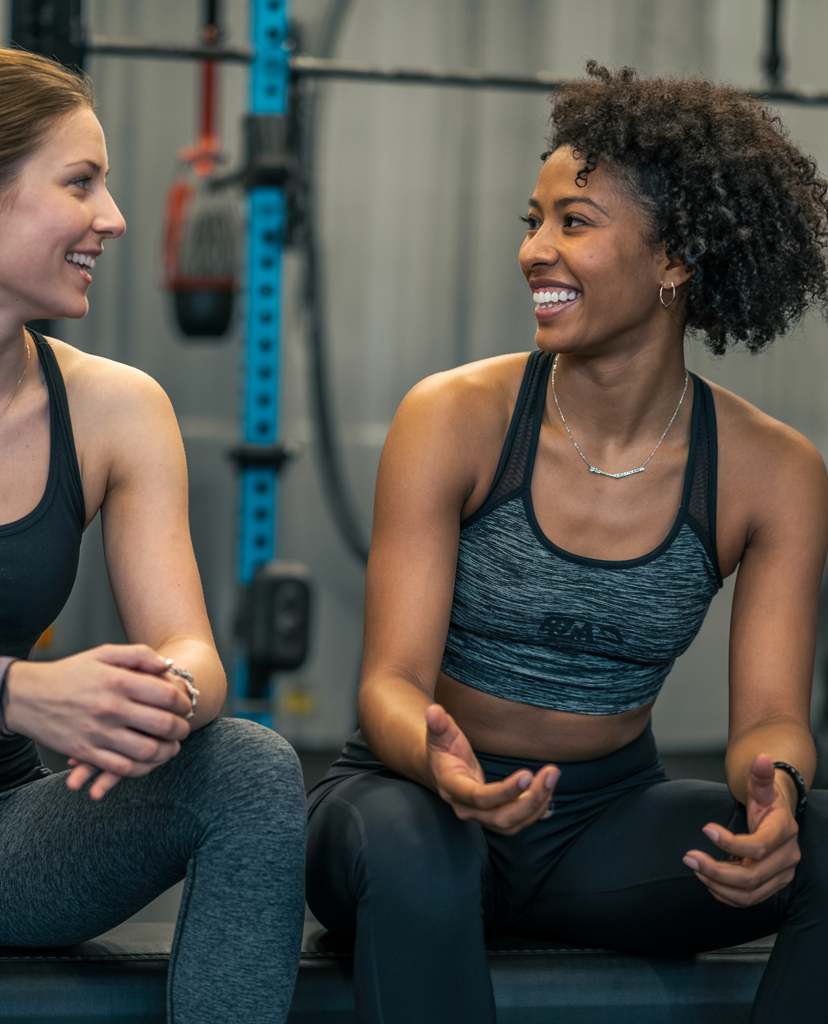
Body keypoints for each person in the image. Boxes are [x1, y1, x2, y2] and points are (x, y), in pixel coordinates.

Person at [306, 63, 828, 1024]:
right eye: (532, 221)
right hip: (413, 801)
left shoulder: (773, 471)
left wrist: (778, 797)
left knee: (825, 840)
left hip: (601, 825)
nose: (535, 252)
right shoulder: (453, 418)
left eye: (574, 223)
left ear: (676, 258)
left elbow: (769, 718)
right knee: (415, 849)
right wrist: (441, 765)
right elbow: (390, 683)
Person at [0, 46, 305, 1024]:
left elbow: (192, 648)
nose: (112, 218)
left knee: (250, 764)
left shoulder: (119, 408)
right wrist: (19, 692)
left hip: (2, 847)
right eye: (81, 183)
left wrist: (160, 696)